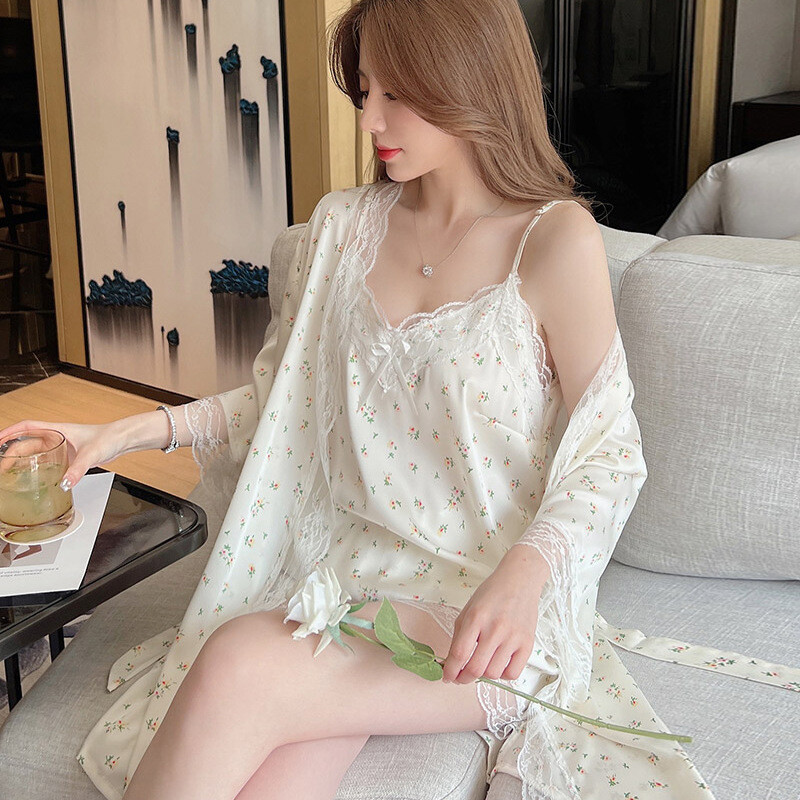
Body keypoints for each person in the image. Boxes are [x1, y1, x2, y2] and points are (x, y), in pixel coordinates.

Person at [0, 1, 715, 798]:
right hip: (341, 583)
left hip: (487, 611)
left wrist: (527, 572)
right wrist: (119, 434)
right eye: (365, 90)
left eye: (397, 93)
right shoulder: (342, 227)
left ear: (471, 81)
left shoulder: (553, 240)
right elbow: (287, 408)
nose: (371, 119)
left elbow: (609, 453)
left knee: (237, 663)